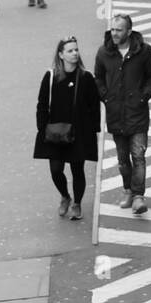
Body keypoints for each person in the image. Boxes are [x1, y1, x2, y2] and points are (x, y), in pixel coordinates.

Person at [94, 14, 151, 216]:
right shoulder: (104, 52)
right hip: (116, 114)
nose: (114, 33)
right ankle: (128, 190)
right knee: (123, 159)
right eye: (113, 29)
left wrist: (143, 96)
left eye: (119, 30)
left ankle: (139, 196)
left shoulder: (144, 51)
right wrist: (106, 97)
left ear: (129, 32)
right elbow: (98, 78)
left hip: (137, 113)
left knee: (138, 155)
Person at [34, 36, 101, 221]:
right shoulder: (50, 76)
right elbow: (42, 104)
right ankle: (65, 195)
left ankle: (77, 203)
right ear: (61, 54)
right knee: (56, 170)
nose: (75, 53)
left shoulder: (86, 77)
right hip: (55, 133)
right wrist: (42, 129)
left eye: (76, 50)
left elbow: (94, 105)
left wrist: (94, 131)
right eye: (70, 51)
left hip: (79, 132)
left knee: (77, 169)